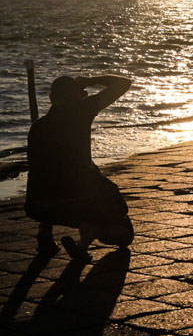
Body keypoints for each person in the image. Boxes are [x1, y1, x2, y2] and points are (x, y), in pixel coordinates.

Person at [26, 74, 134, 261]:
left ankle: (45, 232)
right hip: (75, 201)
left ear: (51, 98)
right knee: (124, 233)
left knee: (54, 179)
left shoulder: (38, 127)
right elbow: (124, 83)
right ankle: (87, 238)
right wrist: (90, 80)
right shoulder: (82, 112)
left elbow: (39, 174)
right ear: (80, 97)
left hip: (37, 207)